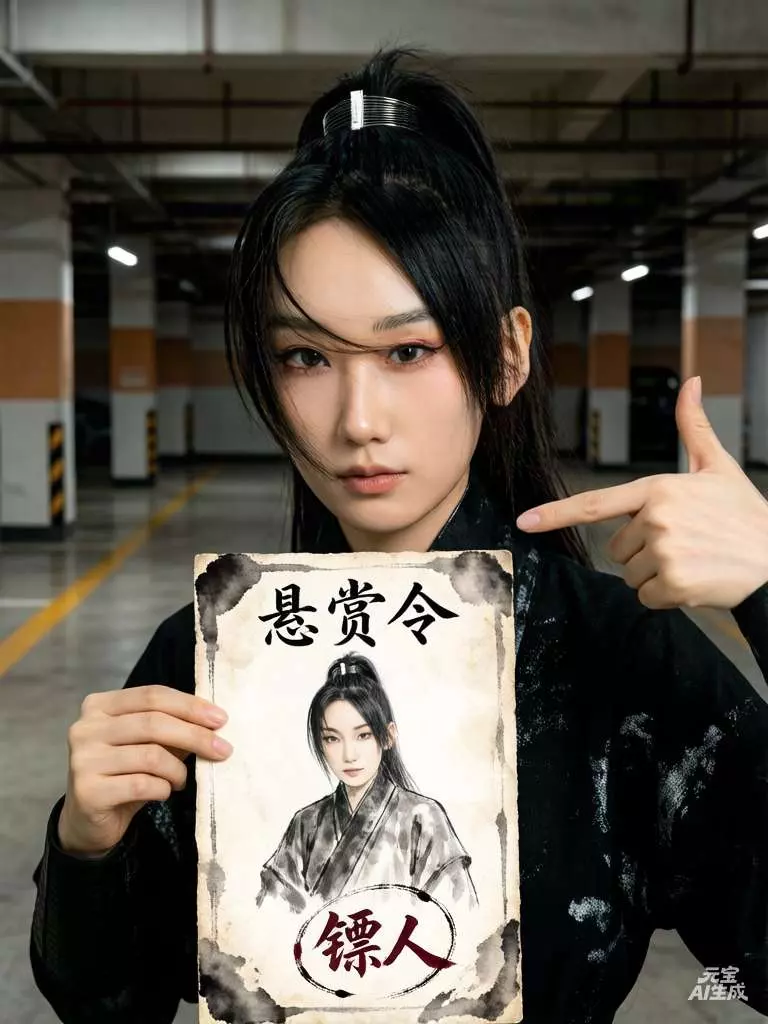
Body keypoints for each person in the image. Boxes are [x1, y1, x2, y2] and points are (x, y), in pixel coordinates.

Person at [30, 47, 768, 1024]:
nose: (358, 419)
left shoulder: (614, 656)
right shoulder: (210, 666)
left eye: (409, 349)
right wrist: (87, 844)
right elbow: (107, 999)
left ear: (505, 356)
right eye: (305, 356)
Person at [255, 653, 477, 913]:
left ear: (388, 736)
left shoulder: (423, 818)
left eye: (363, 735)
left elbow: (457, 916)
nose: (349, 755)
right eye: (332, 738)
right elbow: (271, 918)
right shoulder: (306, 824)